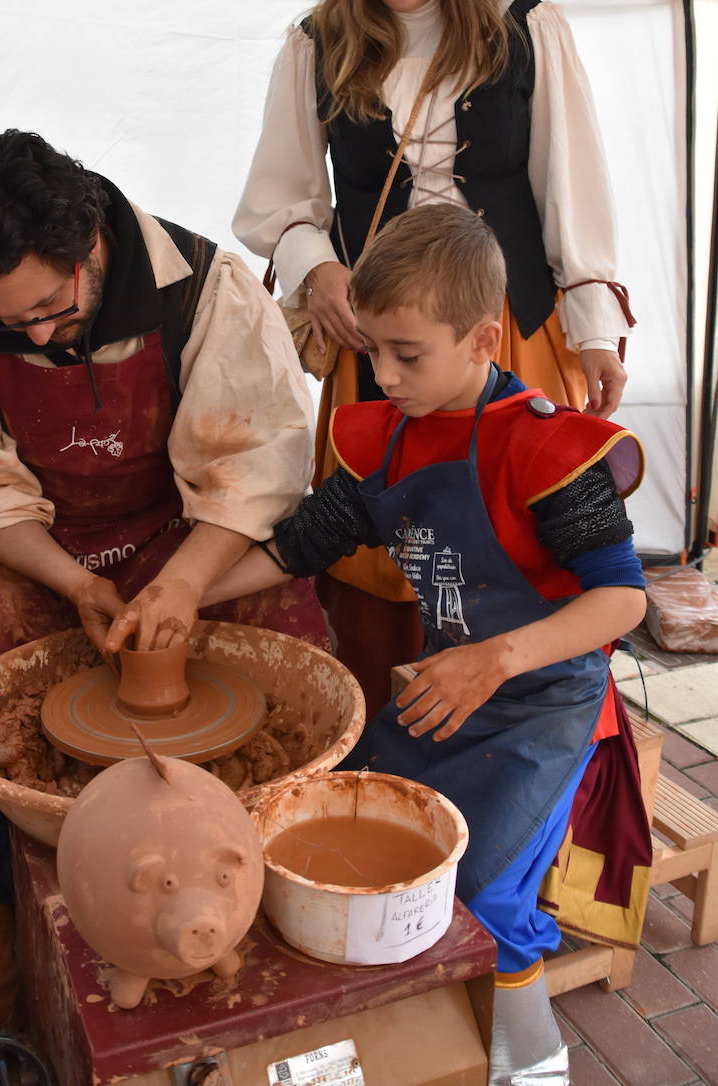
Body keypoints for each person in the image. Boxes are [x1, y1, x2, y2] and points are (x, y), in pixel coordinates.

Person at [0, 129, 328, 1084]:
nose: (36, 334)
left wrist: (187, 581)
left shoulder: (203, 287)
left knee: (293, 648)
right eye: (10, 323)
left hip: (185, 528)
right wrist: (73, 581)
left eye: (49, 307)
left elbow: (253, 468)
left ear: (91, 245)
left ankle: (280, 886)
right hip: (34, 542)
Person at [202, 203, 651, 1086]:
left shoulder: (547, 448)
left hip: (545, 706)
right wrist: (182, 593)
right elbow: (301, 544)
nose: (384, 374)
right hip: (450, 689)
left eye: (409, 355)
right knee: (334, 835)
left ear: (485, 338)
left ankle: (534, 1065)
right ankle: (392, 1045)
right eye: (372, 350)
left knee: (475, 891)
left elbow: (623, 602)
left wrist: (496, 657)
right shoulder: (384, 441)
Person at [233, 0, 635, 714]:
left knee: (510, 522)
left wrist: (595, 330)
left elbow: (571, 192)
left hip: (505, 330)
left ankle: (518, 713)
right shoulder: (319, 42)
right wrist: (320, 269)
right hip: (378, 336)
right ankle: (381, 719)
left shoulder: (527, 29)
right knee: (380, 533)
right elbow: (281, 200)